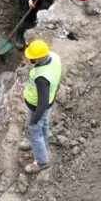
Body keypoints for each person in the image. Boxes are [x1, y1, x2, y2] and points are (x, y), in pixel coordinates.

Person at [19, 39, 62, 175]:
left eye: (33, 58)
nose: (30, 60)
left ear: (41, 57)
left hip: (38, 108)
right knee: (43, 126)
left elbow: (42, 103)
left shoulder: (42, 78)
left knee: (34, 131)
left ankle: (42, 161)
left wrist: (34, 119)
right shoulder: (54, 58)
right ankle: (38, 144)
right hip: (48, 103)